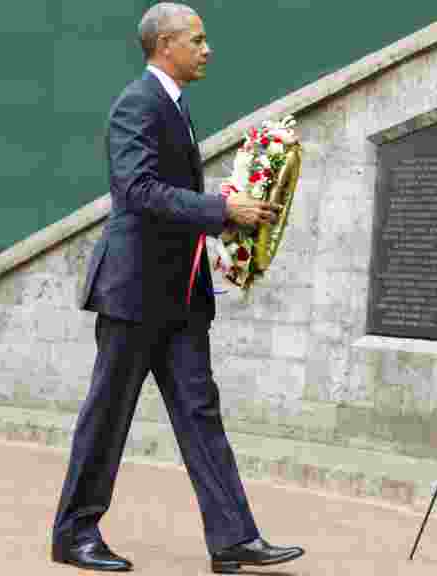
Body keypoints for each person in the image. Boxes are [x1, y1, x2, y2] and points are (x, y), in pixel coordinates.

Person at [51, 3, 304, 573]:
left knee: (199, 413)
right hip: (135, 293)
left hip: (182, 295)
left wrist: (225, 210)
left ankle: (234, 539)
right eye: (198, 39)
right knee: (108, 415)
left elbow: (166, 193)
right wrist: (222, 209)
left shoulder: (174, 103)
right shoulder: (137, 103)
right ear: (165, 45)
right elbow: (136, 190)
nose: (208, 49)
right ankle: (74, 535)